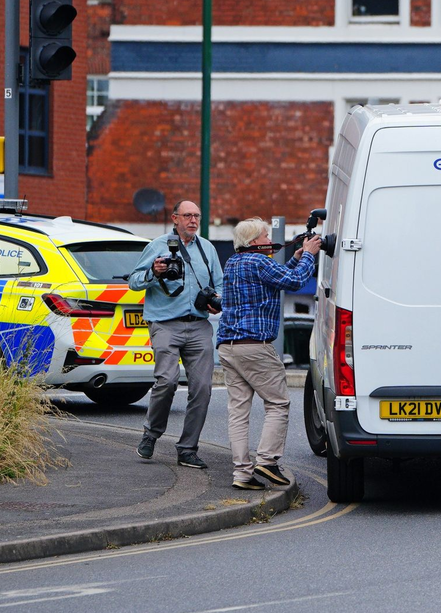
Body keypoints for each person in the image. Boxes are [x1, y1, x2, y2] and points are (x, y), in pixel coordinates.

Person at [216, 217, 320, 490]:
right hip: (254, 347)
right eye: (264, 236)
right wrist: (309, 255)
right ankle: (268, 461)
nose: (269, 240)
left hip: (228, 346)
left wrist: (296, 259)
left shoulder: (233, 263)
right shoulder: (260, 262)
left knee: (238, 411)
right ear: (253, 242)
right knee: (278, 404)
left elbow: (276, 280)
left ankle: (242, 474)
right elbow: (295, 282)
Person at [129, 200, 224, 469]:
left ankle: (187, 449)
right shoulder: (158, 246)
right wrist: (153, 272)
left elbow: (221, 285)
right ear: (175, 218)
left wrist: (216, 298)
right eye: (187, 216)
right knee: (167, 381)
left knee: (203, 388)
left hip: (199, 325)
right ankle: (151, 434)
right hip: (165, 324)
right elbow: (134, 282)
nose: (193, 220)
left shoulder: (208, 249)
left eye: (197, 215)